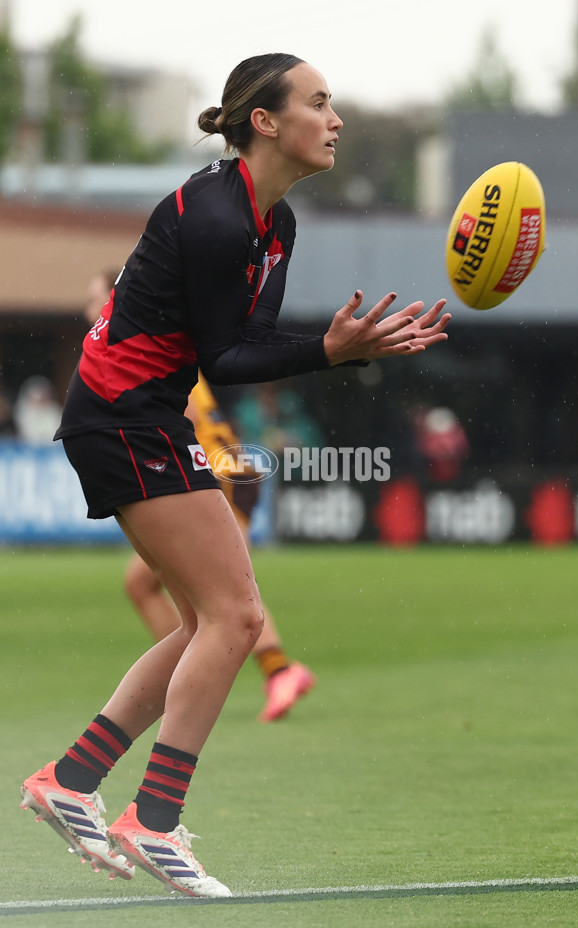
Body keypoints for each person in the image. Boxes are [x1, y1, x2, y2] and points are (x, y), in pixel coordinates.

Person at [20, 53, 451, 898]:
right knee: (238, 614)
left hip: (142, 417)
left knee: (203, 625)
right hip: (123, 418)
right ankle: (152, 819)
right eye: (319, 104)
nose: (334, 120)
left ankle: (69, 780)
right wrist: (333, 351)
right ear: (266, 120)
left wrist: (333, 349)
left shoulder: (274, 223)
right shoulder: (218, 219)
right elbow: (226, 356)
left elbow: (243, 346)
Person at [85, 269, 316, 721]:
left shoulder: (136, 343)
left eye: (94, 296)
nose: (87, 306)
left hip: (221, 473)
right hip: (224, 471)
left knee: (221, 592)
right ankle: (211, 671)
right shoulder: (135, 340)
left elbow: (180, 413)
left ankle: (273, 670)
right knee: (168, 585)